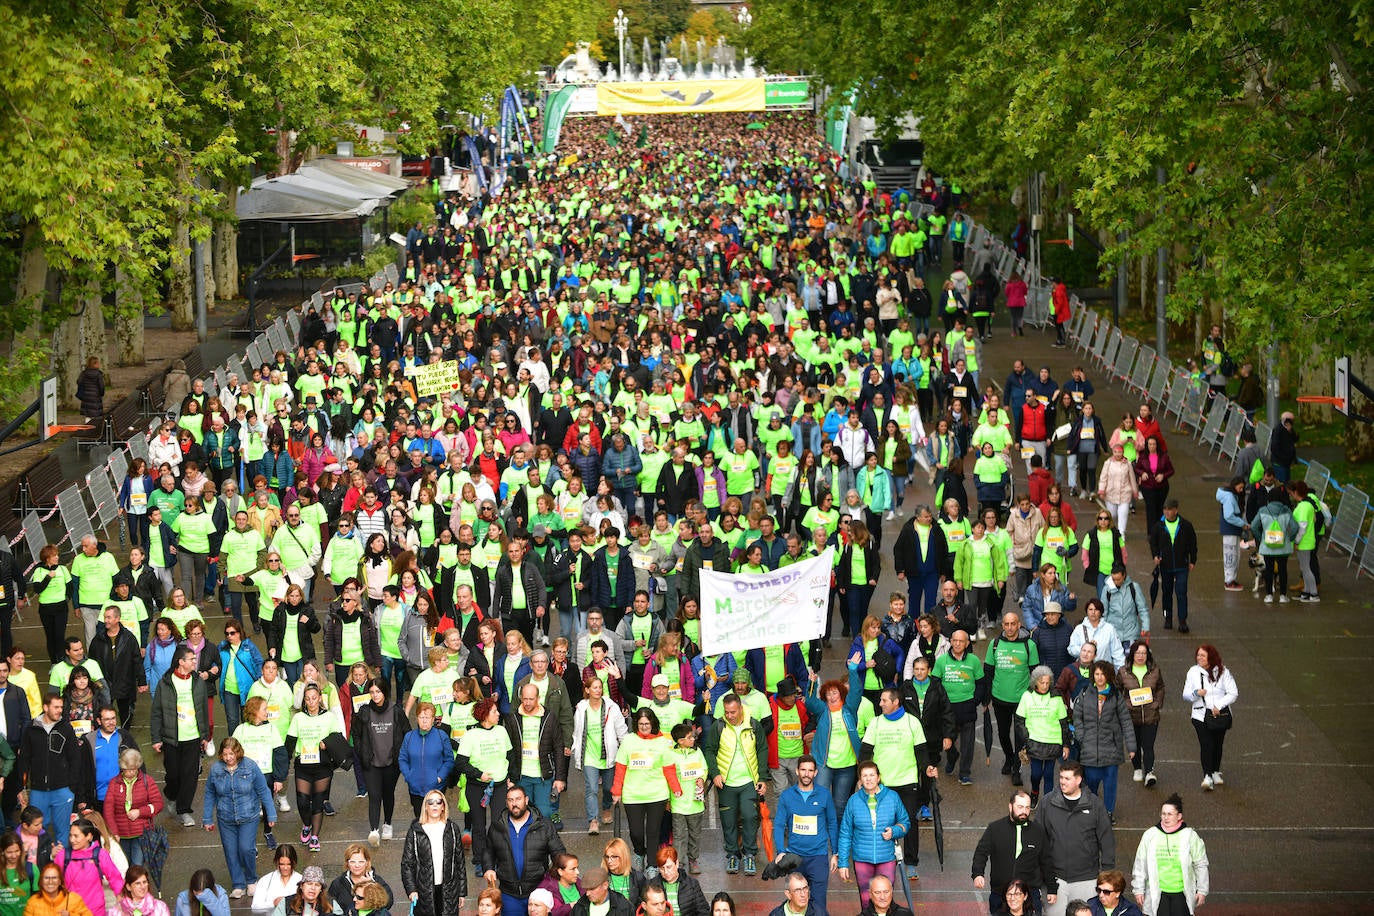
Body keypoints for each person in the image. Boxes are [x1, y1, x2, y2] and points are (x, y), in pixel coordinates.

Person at [1037, 762, 1114, 916]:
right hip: (1055, 879)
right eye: (1061, 777)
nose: (1062, 781)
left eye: (1067, 778)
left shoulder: (1095, 805)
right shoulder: (1047, 803)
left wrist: (1107, 874)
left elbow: (1106, 840)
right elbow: (1038, 839)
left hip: (1086, 878)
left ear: (1078, 780)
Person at [202, 738, 276, 898]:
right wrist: (207, 818)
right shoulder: (215, 769)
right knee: (231, 851)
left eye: (231, 753)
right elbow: (209, 793)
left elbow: (264, 790)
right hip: (225, 817)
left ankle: (251, 880)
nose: (228, 757)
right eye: (225, 754)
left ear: (238, 752)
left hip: (248, 815)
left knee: (246, 848)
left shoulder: (250, 766)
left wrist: (271, 813)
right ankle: (238, 884)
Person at [703, 695, 767, 878]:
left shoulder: (754, 725)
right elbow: (709, 750)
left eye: (732, 712)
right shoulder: (719, 726)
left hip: (748, 782)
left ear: (740, 709)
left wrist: (762, 777)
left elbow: (762, 749)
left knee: (749, 817)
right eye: (726, 712)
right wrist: (714, 773)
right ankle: (732, 854)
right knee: (728, 821)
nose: (729, 716)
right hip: (726, 783)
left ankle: (749, 855)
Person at [611, 708, 679, 873]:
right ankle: (639, 852)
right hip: (633, 795)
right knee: (636, 833)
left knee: (653, 832)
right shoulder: (628, 741)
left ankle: (651, 865)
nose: (643, 727)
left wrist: (675, 788)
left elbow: (669, 768)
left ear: (653, 723)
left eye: (647, 724)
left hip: (657, 794)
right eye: (641, 724)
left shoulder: (662, 742)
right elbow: (621, 767)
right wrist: (616, 790)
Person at [837, 761, 909, 910]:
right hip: (862, 859)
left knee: (885, 899)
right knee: (866, 901)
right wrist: (843, 862)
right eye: (864, 776)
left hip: (887, 858)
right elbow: (845, 833)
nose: (868, 779)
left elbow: (905, 822)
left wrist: (894, 831)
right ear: (860, 779)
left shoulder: (892, 797)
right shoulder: (853, 801)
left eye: (872, 775)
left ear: (878, 777)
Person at [483, 784, 565, 916]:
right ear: (506, 802)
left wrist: (553, 879)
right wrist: (488, 868)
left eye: (518, 799)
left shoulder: (544, 825)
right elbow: (488, 851)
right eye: (510, 800)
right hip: (509, 893)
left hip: (537, 891)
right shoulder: (497, 826)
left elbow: (559, 854)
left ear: (526, 800)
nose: (514, 804)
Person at [15, 694, 83, 849]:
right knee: (37, 831)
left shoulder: (66, 728)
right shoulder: (31, 729)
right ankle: (39, 866)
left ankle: (61, 868)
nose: (60, 710)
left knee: (63, 833)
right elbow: (24, 760)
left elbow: (75, 758)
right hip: (39, 791)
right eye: (56, 707)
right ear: (45, 708)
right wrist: (22, 786)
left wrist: (71, 787)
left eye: (61, 707)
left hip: (63, 789)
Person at [972, 791, 1056, 915]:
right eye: (1020, 807)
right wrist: (978, 874)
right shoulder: (995, 829)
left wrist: (1052, 888)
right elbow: (981, 852)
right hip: (1000, 894)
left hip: (1030, 894)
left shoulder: (1038, 831)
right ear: (1010, 806)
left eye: (1027, 807)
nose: (1024, 811)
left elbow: (1047, 861)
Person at [1072, 662, 1135, 820]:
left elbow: (1126, 721)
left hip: (1111, 748)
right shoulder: (1085, 693)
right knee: (1090, 783)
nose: (1100, 677)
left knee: (1110, 784)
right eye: (1097, 674)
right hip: (1089, 748)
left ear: (1108, 675)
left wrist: (1131, 746)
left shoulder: (1115, 695)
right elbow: (1077, 716)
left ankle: (1108, 812)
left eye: (1103, 674)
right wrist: (1081, 736)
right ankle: (1093, 811)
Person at [772, 755, 838, 906]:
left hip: (818, 858)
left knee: (819, 905)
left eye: (810, 770)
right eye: (803, 770)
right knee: (797, 903)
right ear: (797, 771)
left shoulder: (824, 794)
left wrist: (835, 852)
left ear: (815, 773)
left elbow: (832, 823)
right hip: (794, 858)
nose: (806, 774)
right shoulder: (787, 796)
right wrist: (781, 851)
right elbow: (780, 824)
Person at [351, 679, 410, 846]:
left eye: (378, 691)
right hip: (371, 763)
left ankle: (388, 824)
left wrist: (402, 756)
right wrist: (361, 751)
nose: (375, 695)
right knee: (374, 796)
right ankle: (373, 830)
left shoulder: (397, 711)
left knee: (388, 794)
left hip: (392, 763)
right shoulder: (364, 711)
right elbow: (355, 733)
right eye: (372, 692)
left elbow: (407, 733)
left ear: (385, 692)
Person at [985, 612, 1040, 787]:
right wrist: (986, 698)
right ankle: (1009, 758)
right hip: (1000, 698)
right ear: (1003, 626)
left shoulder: (1029, 645)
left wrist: (1035, 697)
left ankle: (1016, 768)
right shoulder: (994, 644)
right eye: (1006, 624)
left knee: (1019, 736)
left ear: (1018, 625)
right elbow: (988, 672)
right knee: (1002, 733)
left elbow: (1035, 673)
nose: (1009, 627)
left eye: (1013, 624)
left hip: (1021, 700)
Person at [1131, 795, 1209, 916]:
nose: (1165, 817)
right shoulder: (1150, 835)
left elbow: (1201, 864)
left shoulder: (1190, 836)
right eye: (1163, 814)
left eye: (1170, 814)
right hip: (1158, 893)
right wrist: (1138, 889)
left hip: (1181, 893)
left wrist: (1202, 890)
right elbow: (1140, 864)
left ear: (1179, 816)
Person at [573, 676, 626, 837]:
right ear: (587, 690)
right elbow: (577, 732)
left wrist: (627, 747)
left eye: (599, 687)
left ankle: (606, 809)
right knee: (592, 789)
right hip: (590, 755)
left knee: (609, 788)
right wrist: (575, 748)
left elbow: (621, 729)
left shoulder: (611, 707)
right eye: (594, 687)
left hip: (609, 755)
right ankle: (593, 820)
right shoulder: (581, 708)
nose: (597, 690)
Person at [506, 683, 567, 820]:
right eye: (525, 699)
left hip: (543, 776)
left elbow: (558, 747)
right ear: (521, 697)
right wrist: (509, 776)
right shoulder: (513, 719)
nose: (527, 703)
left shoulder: (549, 718)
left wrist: (559, 778)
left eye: (531, 699)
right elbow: (508, 749)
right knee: (523, 814)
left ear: (538, 698)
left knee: (544, 814)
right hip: (521, 776)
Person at [400, 791, 466, 916]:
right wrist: (411, 889)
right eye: (430, 802)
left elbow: (460, 862)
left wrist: (462, 892)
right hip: (424, 892)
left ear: (443, 806)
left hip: (449, 891)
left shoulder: (452, 829)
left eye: (438, 802)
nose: (434, 805)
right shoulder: (415, 831)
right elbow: (407, 864)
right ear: (425, 806)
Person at [1183, 645, 1237, 792]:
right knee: (1206, 744)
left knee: (1218, 744)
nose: (1199, 658)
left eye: (1203, 655)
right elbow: (1185, 695)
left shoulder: (1223, 671)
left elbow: (1233, 692)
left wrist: (1218, 705)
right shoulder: (1193, 672)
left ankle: (1215, 771)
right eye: (1198, 655)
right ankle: (1207, 776)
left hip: (1219, 716)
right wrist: (1196, 693)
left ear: (1211, 657)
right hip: (1200, 715)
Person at [1014, 667, 1069, 807]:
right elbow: (1019, 719)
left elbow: (1063, 723)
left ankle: (1047, 802)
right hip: (1035, 742)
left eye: (1047, 682)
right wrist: (1027, 738)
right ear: (1035, 682)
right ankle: (1035, 791)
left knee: (1049, 774)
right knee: (1036, 774)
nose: (1045, 686)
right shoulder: (1027, 696)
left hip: (1053, 742)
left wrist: (1066, 744)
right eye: (1041, 682)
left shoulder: (1056, 696)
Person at [1118, 641, 1164, 789]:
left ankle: (1149, 772)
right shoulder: (1123, 671)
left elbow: (1161, 687)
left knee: (1148, 745)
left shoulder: (1155, 670)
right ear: (1132, 654)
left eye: (1143, 653)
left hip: (1150, 715)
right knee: (1135, 745)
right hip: (1131, 716)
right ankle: (1137, 768)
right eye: (1137, 653)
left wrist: (1157, 703)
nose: (1140, 656)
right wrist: (1125, 705)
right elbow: (1117, 691)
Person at [51, 820, 122, 916]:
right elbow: (51, 880)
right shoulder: (63, 856)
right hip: (69, 910)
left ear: (88, 836)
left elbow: (114, 877)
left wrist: (120, 897)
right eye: (70, 835)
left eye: (76, 836)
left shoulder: (100, 855)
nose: (72, 840)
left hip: (94, 910)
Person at [1148, 501, 1196, 633]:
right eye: (1165, 510)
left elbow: (1193, 543)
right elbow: (1153, 543)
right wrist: (1155, 556)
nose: (1167, 512)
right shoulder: (1159, 526)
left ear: (1176, 510)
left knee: (1181, 592)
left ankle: (1182, 621)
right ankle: (1167, 617)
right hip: (1166, 565)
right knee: (1167, 592)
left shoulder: (1185, 525)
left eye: (1170, 509)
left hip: (1182, 565)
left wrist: (1193, 560)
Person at [328, 845, 394, 916]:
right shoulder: (337, 883)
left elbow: (388, 902)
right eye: (352, 862)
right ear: (347, 863)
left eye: (361, 862)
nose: (357, 865)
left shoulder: (377, 880)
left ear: (367, 862)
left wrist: (372, 886)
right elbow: (331, 908)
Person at [24, 864, 92, 916]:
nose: (50, 882)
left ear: (60, 881)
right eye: (47, 878)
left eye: (54, 878)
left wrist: (70, 915)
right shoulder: (32, 902)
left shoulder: (74, 899)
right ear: (41, 881)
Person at [253, 846, 302, 915]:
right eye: (282, 864)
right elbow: (255, 907)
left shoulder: (301, 880)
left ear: (294, 863)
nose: (285, 868)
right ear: (276, 862)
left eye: (289, 864)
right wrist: (273, 903)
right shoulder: (265, 880)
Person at [270, 865, 335, 916]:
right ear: (301, 886)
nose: (313, 888)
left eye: (317, 885)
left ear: (321, 889)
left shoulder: (331, 904)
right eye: (309, 884)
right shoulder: (285, 903)